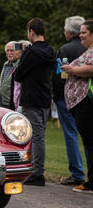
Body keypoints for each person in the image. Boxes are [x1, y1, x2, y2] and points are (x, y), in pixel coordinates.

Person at [15, 17, 56, 186]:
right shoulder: (51, 51)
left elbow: (18, 75)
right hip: (45, 95)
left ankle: (37, 172)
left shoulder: (31, 52)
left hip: (32, 96)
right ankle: (36, 168)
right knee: (40, 134)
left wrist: (24, 55)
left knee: (36, 136)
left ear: (31, 31)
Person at [52, 16, 86, 186]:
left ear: (69, 31)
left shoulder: (65, 49)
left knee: (71, 134)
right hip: (86, 97)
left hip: (68, 97)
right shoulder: (88, 49)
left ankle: (77, 173)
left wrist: (57, 96)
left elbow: (60, 76)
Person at [62, 19, 93, 193]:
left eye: (84, 32)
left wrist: (72, 70)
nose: (80, 35)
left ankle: (91, 182)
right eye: (79, 32)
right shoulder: (88, 50)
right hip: (83, 103)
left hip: (87, 102)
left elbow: (91, 68)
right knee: (89, 142)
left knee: (90, 143)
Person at [0, 41, 20, 108]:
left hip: (13, 103)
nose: (9, 53)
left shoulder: (20, 64)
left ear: (17, 52)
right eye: (7, 51)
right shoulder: (5, 64)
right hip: (2, 102)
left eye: (12, 50)